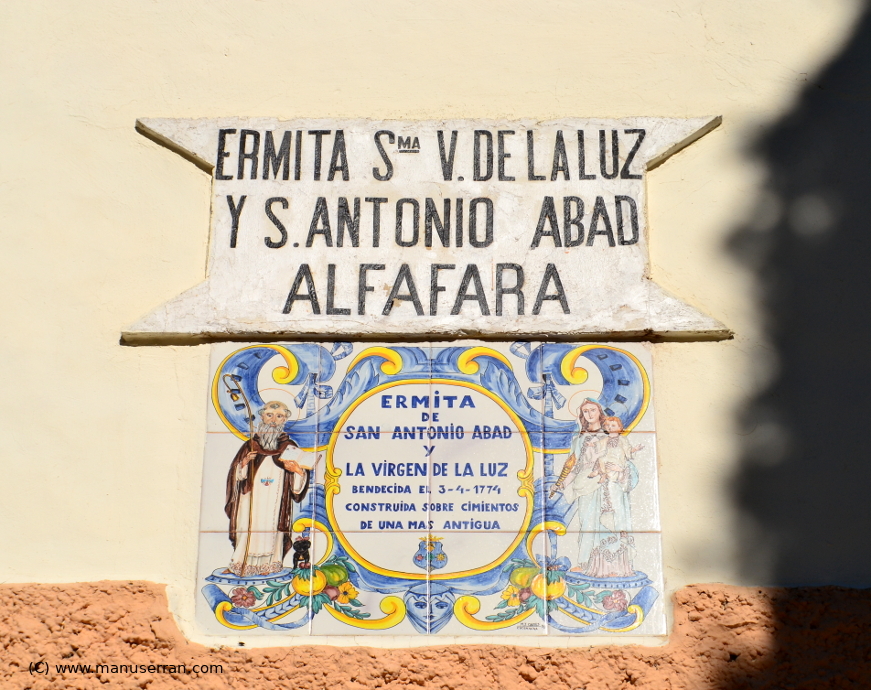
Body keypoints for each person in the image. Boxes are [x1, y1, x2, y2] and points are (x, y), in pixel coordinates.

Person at [224, 401, 313, 577]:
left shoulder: (289, 447)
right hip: (250, 498)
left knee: (271, 528)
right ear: (262, 417)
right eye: (270, 415)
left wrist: (297, 471)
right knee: (247, 526)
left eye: (279, 416)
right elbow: (235, 474)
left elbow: (299, 476)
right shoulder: (250, 445)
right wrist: (244, 463)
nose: (273, 420)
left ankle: (270, 566)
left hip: (276, 498)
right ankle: (240, 564)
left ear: (284, 420)